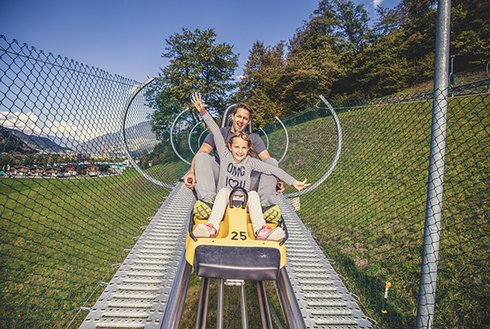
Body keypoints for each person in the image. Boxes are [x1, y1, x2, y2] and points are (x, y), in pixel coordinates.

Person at [190, 93, 309, 240]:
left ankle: (262, 229)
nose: (240, 151)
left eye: (244, 148)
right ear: (229, 147)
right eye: (237, 148)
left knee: (254, 194)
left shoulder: (250, 161)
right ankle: (211, 226)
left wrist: (293, 181)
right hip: (226, 193)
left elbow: (272, 168)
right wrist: (202, 111)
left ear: (248, 149)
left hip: (244, 196)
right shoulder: (225, 154)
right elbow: (214, 128)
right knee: (222, 193)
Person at [183, 96, 284, 223]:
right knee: (202, 157)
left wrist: (278, 179)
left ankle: (266, 206)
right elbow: (202, 152)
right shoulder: (219, 133)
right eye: (239, 116)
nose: (241, 121)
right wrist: (191, 172)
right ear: (233, 117)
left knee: (272, 163)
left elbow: (267, 159)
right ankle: (208, 201)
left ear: (248, 121)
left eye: (245, 118)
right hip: (221, 178)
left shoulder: (254, 138)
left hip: (245, 181)